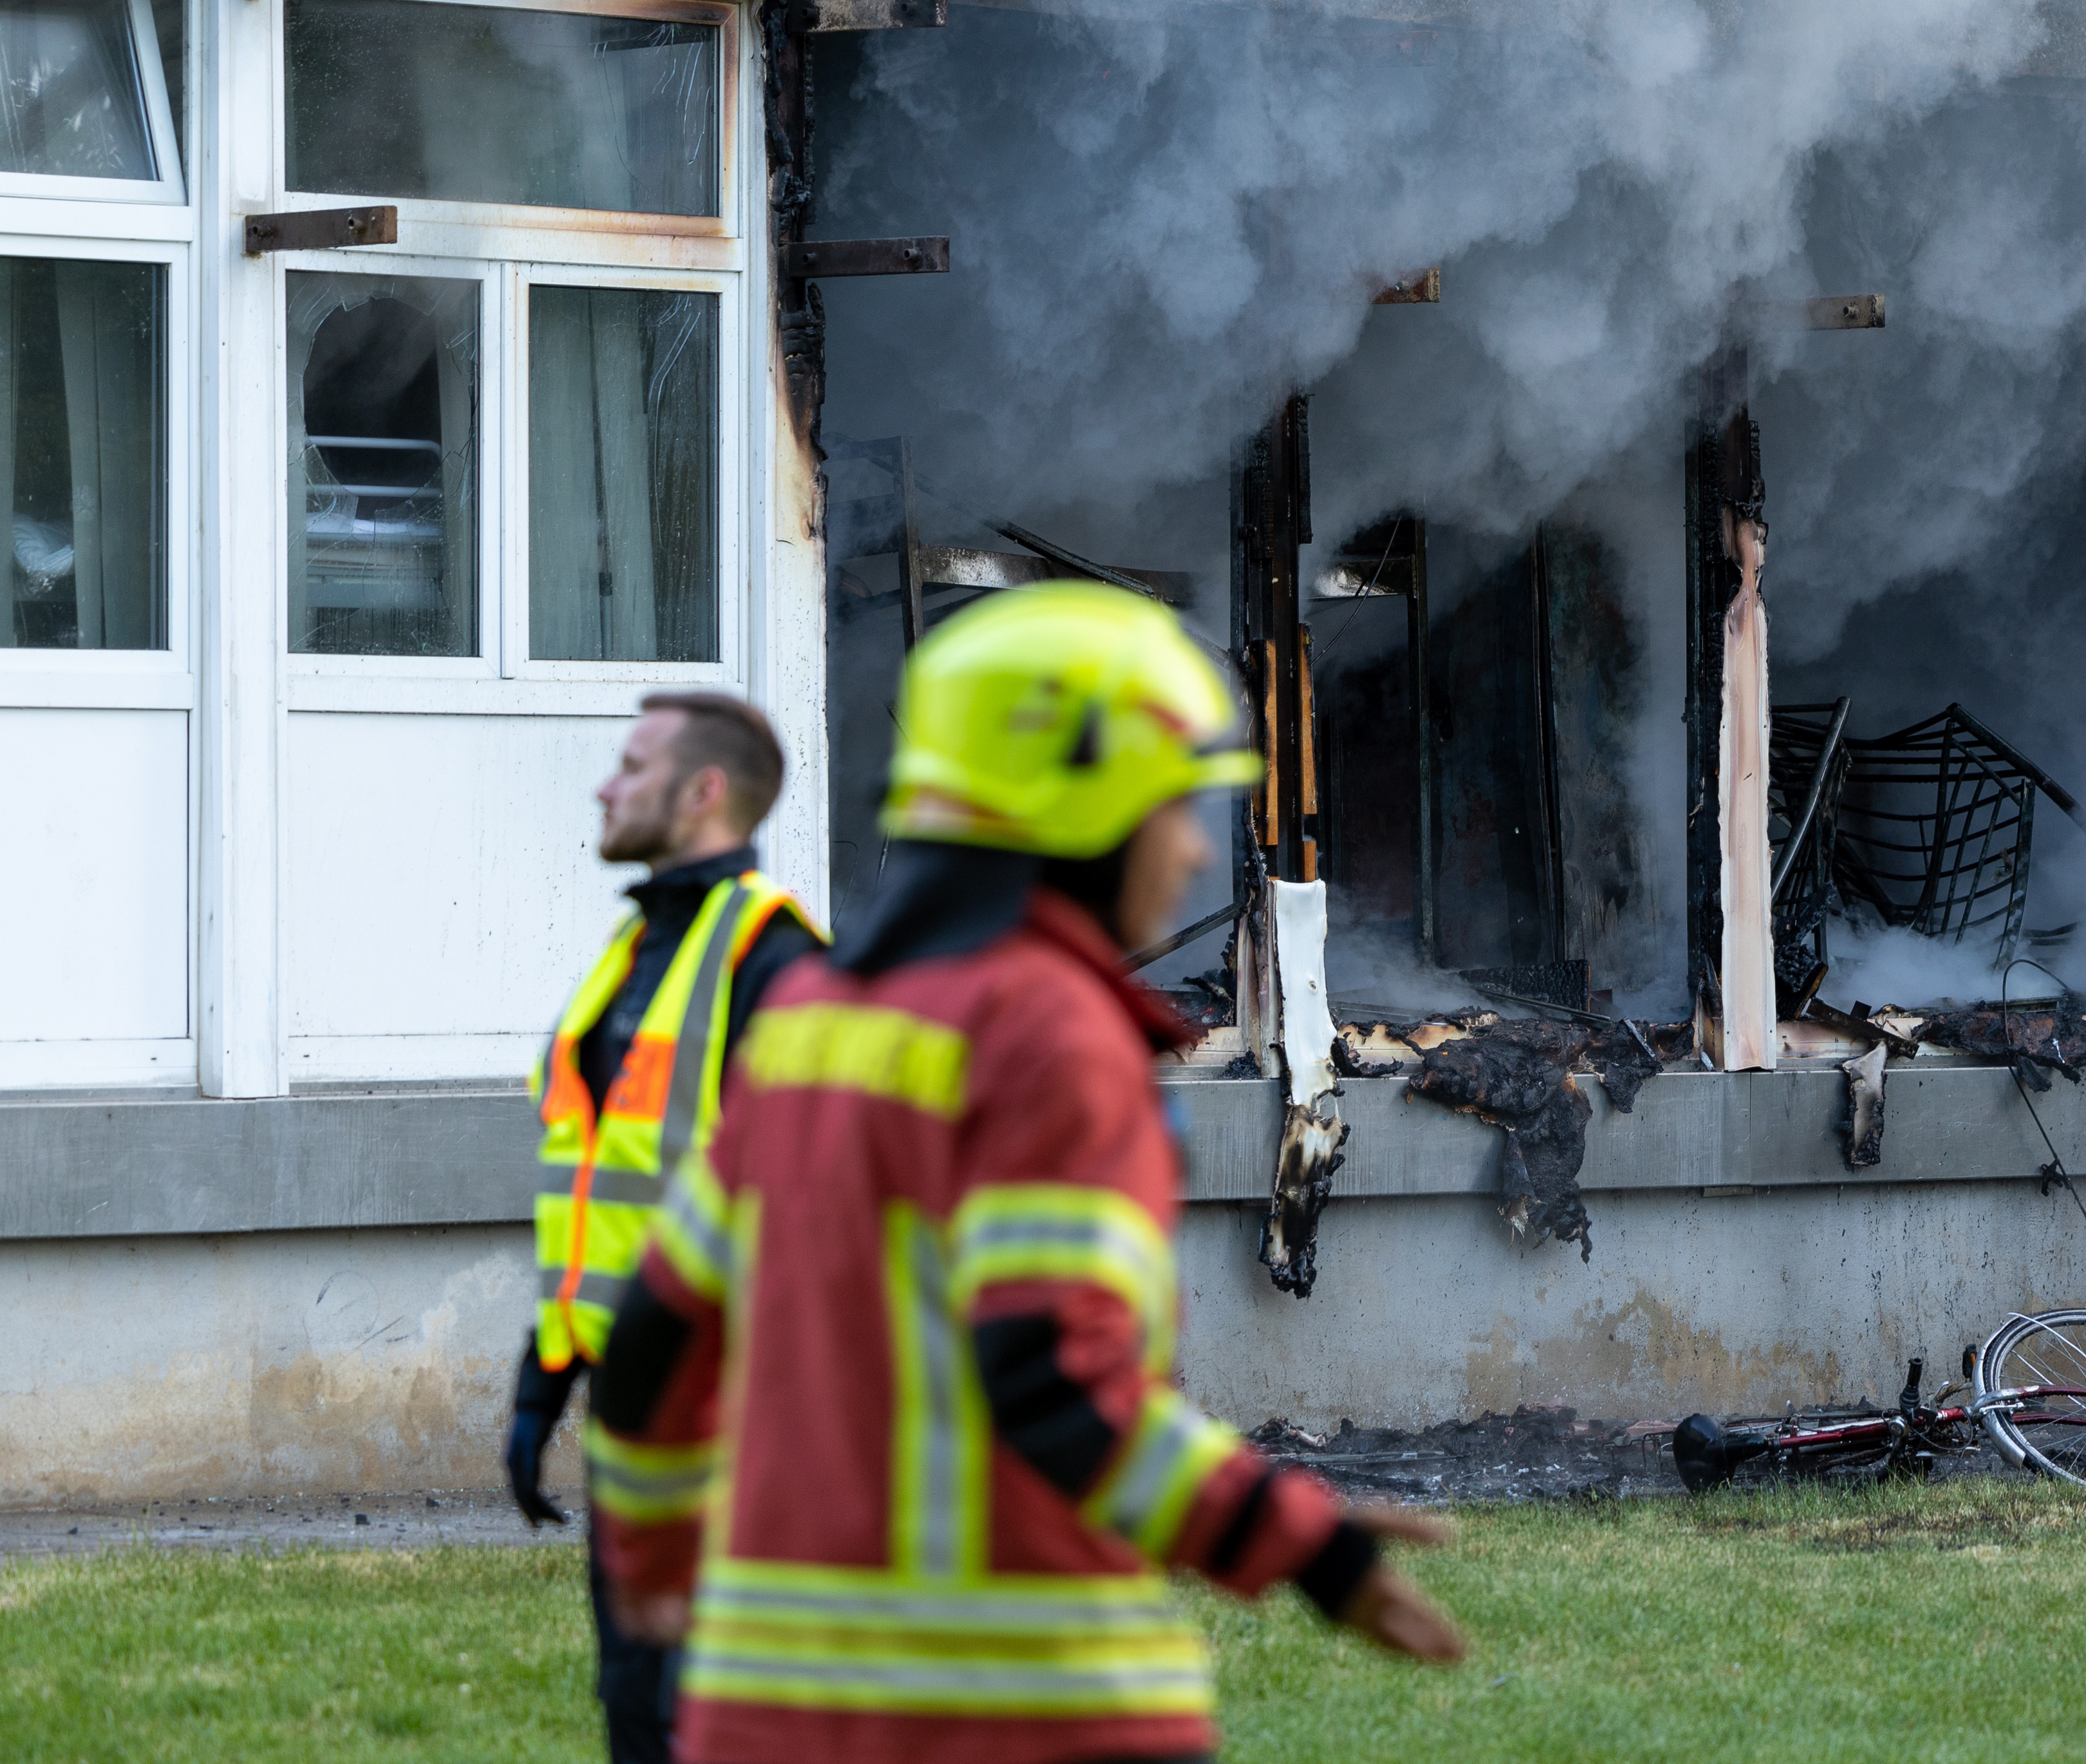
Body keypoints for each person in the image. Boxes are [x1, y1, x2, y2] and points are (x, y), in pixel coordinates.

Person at [586, 582, 1466, 1764]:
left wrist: (649, 1559)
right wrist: (1291, 1534)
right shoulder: (1048, 1032)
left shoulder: (808, 1021)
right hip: (1025, 1715)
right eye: (1179, 800)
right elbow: (1050, 1374)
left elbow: (651, 1340)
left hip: (761, 1714)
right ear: (1086, 797)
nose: (1199, 843)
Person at [508, 692, 823, 1764]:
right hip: (634, 1411)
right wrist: (541, 1385)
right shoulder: (633, 955)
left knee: (721, 1722)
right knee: (639, 1709)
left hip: (738, 1421)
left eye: (631, 767)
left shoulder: (779, 967)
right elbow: (601, 1196)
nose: (604, 786)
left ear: (704, 793)